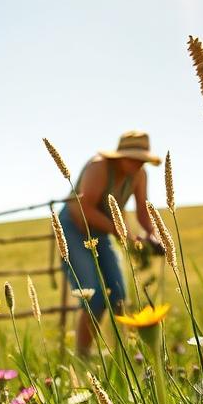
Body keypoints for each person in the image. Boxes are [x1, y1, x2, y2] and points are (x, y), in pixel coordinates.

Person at [57, 131, 161, 356]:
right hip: (74, 228)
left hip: (103, 230)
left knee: (119, 296)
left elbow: (143, 211)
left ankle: (123, 355)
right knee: (93, 295)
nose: (138, 164)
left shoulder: (140, 175)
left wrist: (153, 235)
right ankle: (83, 355)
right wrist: (123, 232)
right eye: (133, 158)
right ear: (120, 156)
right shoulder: (99, 167)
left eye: (142, 160)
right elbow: (85, 209)